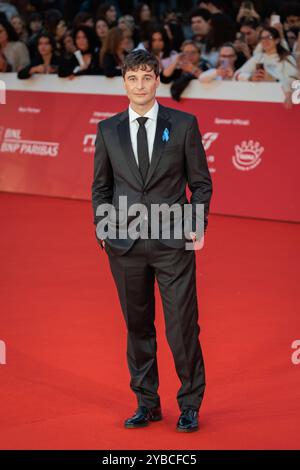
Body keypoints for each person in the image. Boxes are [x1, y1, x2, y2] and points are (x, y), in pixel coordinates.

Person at [91, 49, 213, 432]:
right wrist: (103, 230)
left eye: (147, 77)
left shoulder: (183, 124)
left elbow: (201, 185)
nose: (140, 85)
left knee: (181, 327)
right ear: (124, 83)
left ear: (157, 80)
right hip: (124, 246)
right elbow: (101, 188)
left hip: (172, 244)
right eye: (133, 78)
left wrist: (195, 226)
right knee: (138, 327)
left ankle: (190, 404)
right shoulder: (108, 130)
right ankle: (147, 403)